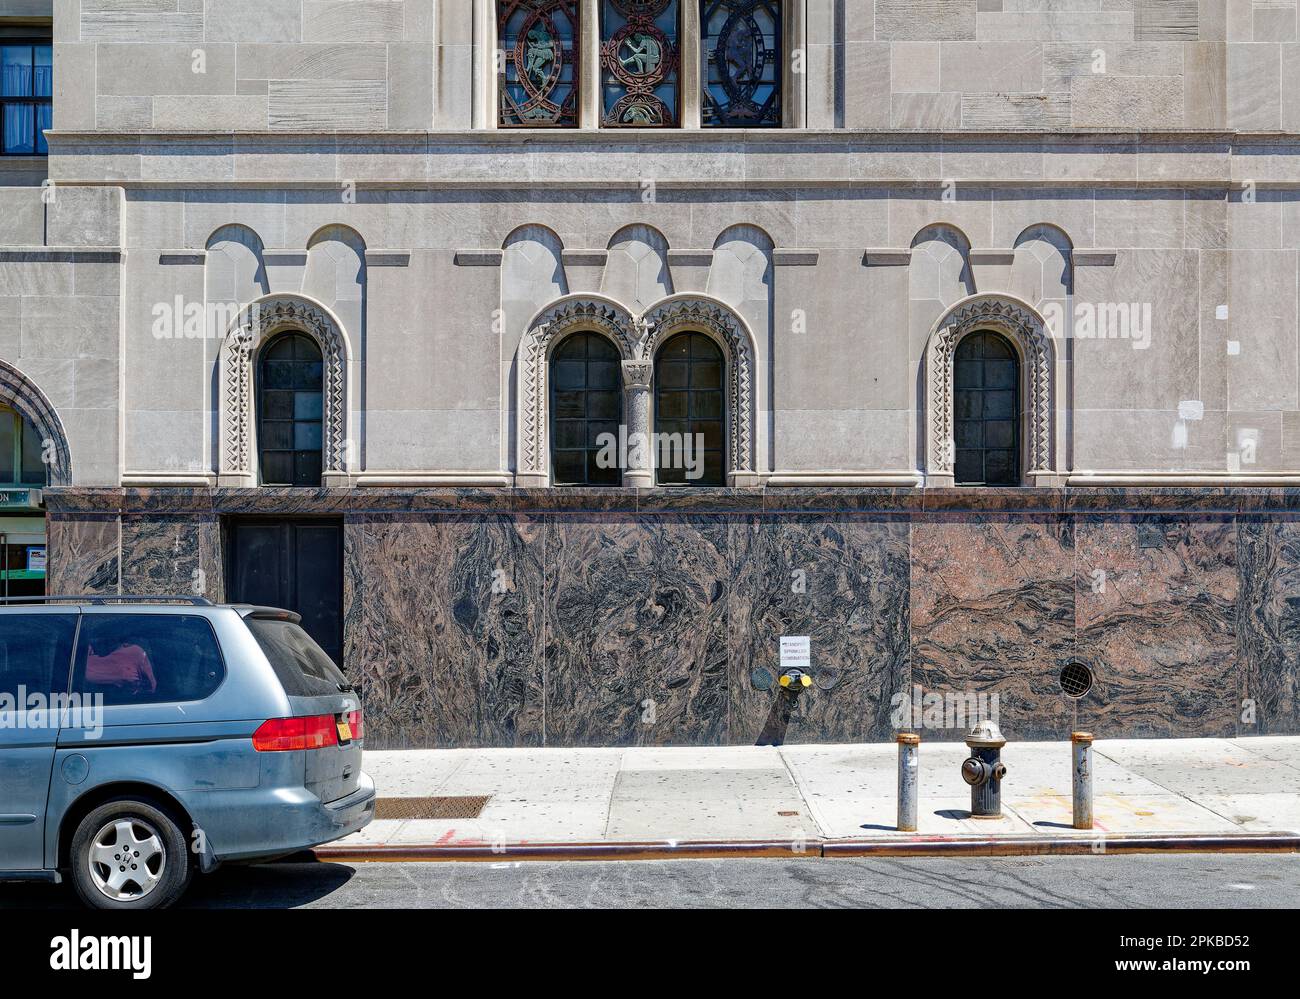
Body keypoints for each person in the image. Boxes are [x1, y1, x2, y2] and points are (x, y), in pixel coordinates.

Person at [86, 635, 156, 695]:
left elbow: (152, 687)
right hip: (92, 702)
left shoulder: (135, 652)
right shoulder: (84, 656)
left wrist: (134, 687)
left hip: (127, 704)